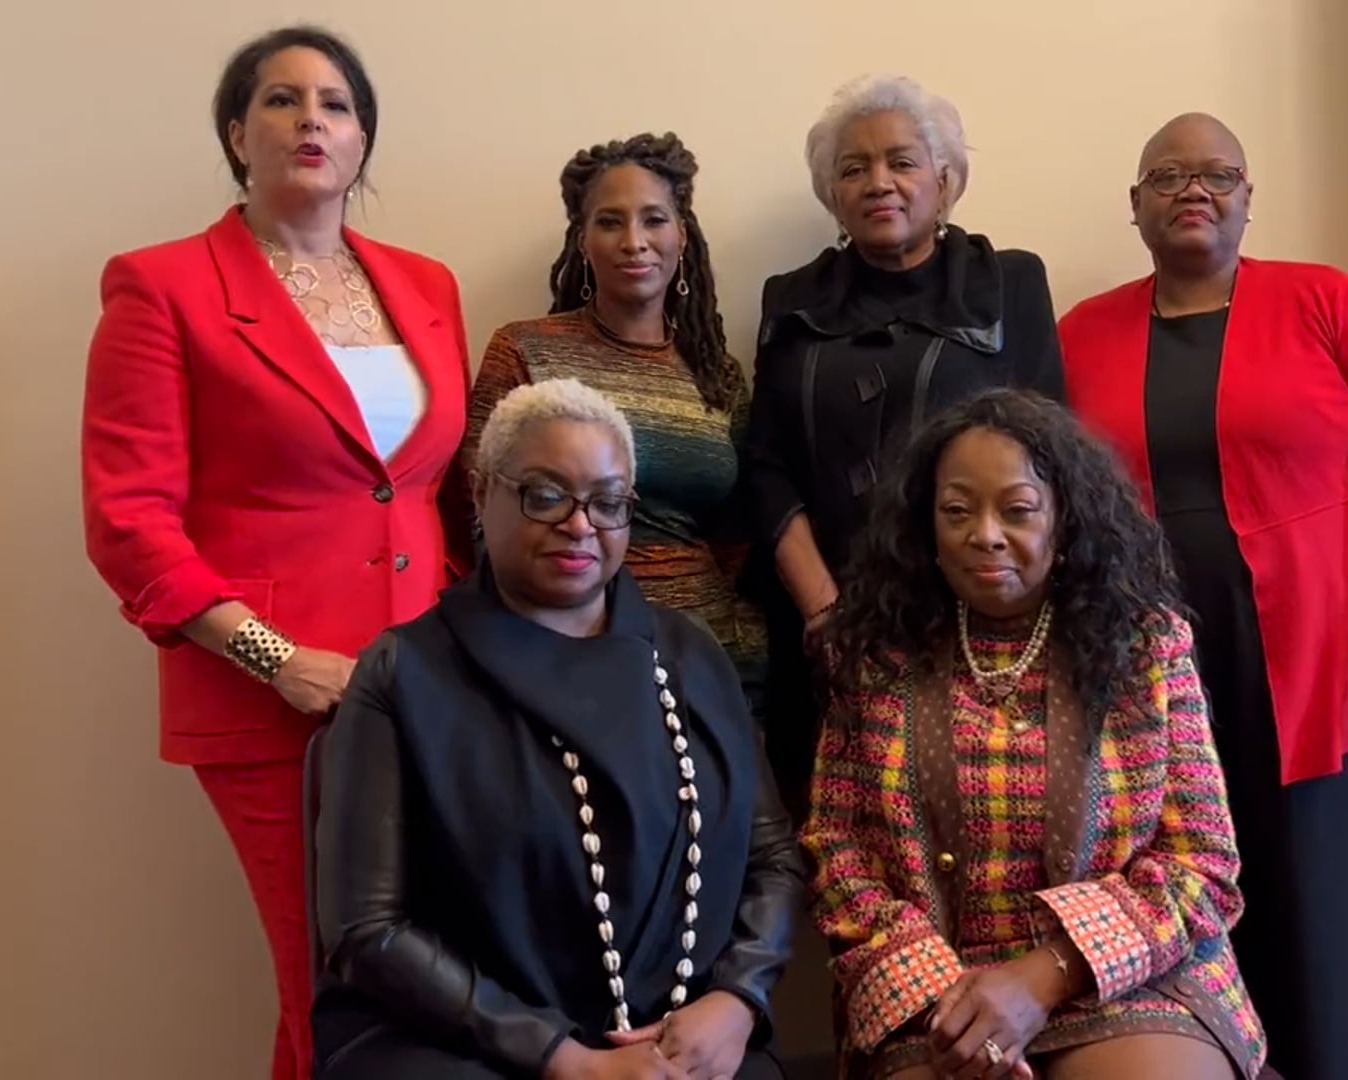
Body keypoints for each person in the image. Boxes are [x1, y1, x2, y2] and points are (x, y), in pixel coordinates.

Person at [79, 25, 469, 1080]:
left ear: (362, 142)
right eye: (283, 100)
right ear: (235, 131)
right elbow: (129, 525)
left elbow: (429, 490)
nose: (312, 120)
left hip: (426, 694)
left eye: (336, 104)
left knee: (417, 985)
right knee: (338, 986)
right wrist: (277, 660)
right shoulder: (160, 287)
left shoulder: (424, 284)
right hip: (272, 703)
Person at [1056, 113, 1348, 1080]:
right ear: (1136, 206)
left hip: (1318, 670)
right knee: (1177, 928)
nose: (1193, 190)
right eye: (1167, 176)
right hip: (1145, 676)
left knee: (1309, 926)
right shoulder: (1079, 333)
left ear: (1247, 198)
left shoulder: (1329, 304)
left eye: (1218, 174)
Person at [311, 379, 804, 1080]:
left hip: (683, 1037)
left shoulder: (691, 655)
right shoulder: (405, 671)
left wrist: (738, 997)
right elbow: (367, 930)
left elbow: (773, 858)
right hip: (461, 1041)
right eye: (546, 494)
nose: (581, 525)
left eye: (609, 503)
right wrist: (564, 1059)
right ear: (483, 493)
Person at [802, 390, 1266, 1080]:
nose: (985, 534)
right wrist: (950, 999)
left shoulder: (1144, 646)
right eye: (957, 511)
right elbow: (838, 854)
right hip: (936, 988)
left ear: (1065, 521)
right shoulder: (873, 655)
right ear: (924, 525)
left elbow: (1202, 861)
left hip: (1127, 977)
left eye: (1017, 510)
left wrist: (1047, 974)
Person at [744, 75, 1067, 816]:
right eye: (853, 168)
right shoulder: (788, 299)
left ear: (947, 182)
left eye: (902, 162)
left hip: (979, 619)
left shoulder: (1008, 283)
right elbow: (766, 466)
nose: (878, 183)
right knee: (848, 842)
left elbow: (1050, 455)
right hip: (827, 626)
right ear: (831, 193)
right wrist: (825, 611)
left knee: (984, 832)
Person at [463, 133, 764, 709]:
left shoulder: (716, 374)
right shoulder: (526, 351)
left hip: (711, 657)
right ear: (581, 240)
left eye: (654, 220)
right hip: (562, 655)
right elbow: (485, 518)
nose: (634, 242)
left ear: (683, 237)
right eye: (610, 222)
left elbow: (738, 534)